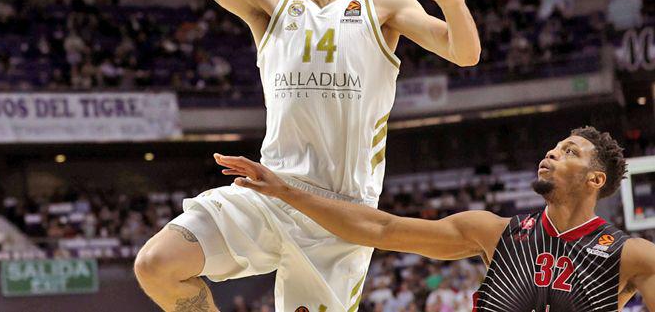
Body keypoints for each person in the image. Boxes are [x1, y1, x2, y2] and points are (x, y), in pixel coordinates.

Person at [48, 0, 482, 312]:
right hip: (267, 189)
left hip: (340, 214)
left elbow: (464, 53)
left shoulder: (381, 4)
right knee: (156, 265)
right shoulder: (270, 4)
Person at [215, 126, 655, 310]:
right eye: (554, 148)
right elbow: (380, 228)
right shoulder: (493, 232)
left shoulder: (633, 255)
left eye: (570, 152)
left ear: (596, 179)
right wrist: (287, 191)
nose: (552, 154)